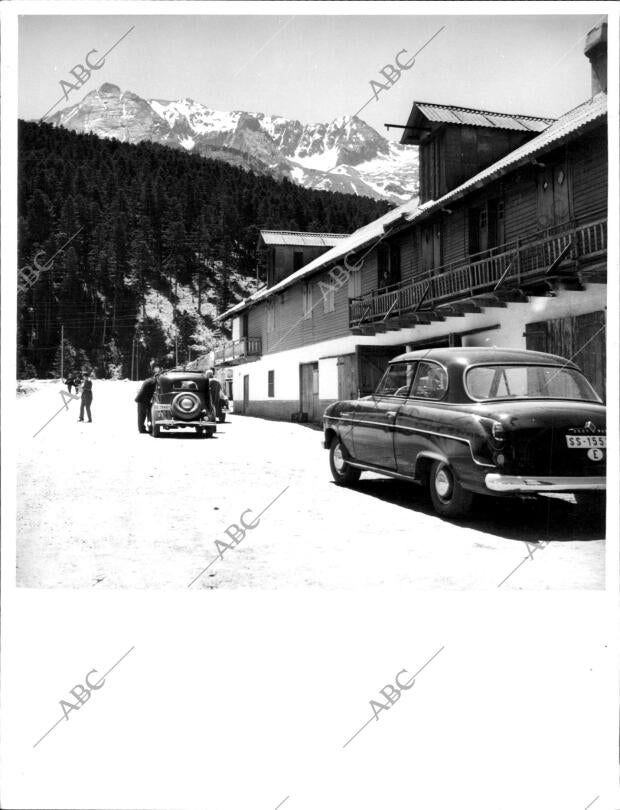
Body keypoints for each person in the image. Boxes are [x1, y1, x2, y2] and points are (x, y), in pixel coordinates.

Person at [135, 365, 162, 433]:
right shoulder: (154, 382)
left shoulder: (150, 380)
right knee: (144, 415)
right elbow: (153, 393)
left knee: (141, 415)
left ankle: (143, 429)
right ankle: (143, 429)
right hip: (143, 399)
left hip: (141, 398)